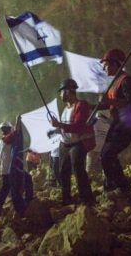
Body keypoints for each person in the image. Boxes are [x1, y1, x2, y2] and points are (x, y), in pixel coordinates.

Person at [98, 49, 131, 197]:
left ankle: (120, 188)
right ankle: (117, 185)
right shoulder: (116, 83)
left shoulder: (128, 81)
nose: (104, 68)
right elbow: (112, 104)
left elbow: (130, 102)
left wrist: (108, 101)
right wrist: (92, 106)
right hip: (117, 123)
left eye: (106, 64)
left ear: (115, 63)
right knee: (106, 154)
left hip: (128, 123)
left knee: (107, 154)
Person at [50, 78, 96, 206]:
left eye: (62, 92)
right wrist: (56, 128)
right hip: (65, 144)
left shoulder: (81, 105)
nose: (60, 95)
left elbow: (78, 126)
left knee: (78, 169)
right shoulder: (65, 109)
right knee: (63, 172)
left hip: (78, 143)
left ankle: (86, 199)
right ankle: (66, 199)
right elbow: (66, 127)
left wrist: (59, 124)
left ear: (68, 91)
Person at [0, 116, 33, 216]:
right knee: (15, 190)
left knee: (8, 188)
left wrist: (26, 150)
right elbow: (14, 136)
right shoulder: (4, 139)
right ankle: (21, 209)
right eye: (8, 129)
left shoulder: (4, 140)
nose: (9, 130)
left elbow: (14, 151)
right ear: (7, 129)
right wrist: (17, 122)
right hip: (10, 170)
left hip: (9, 168)